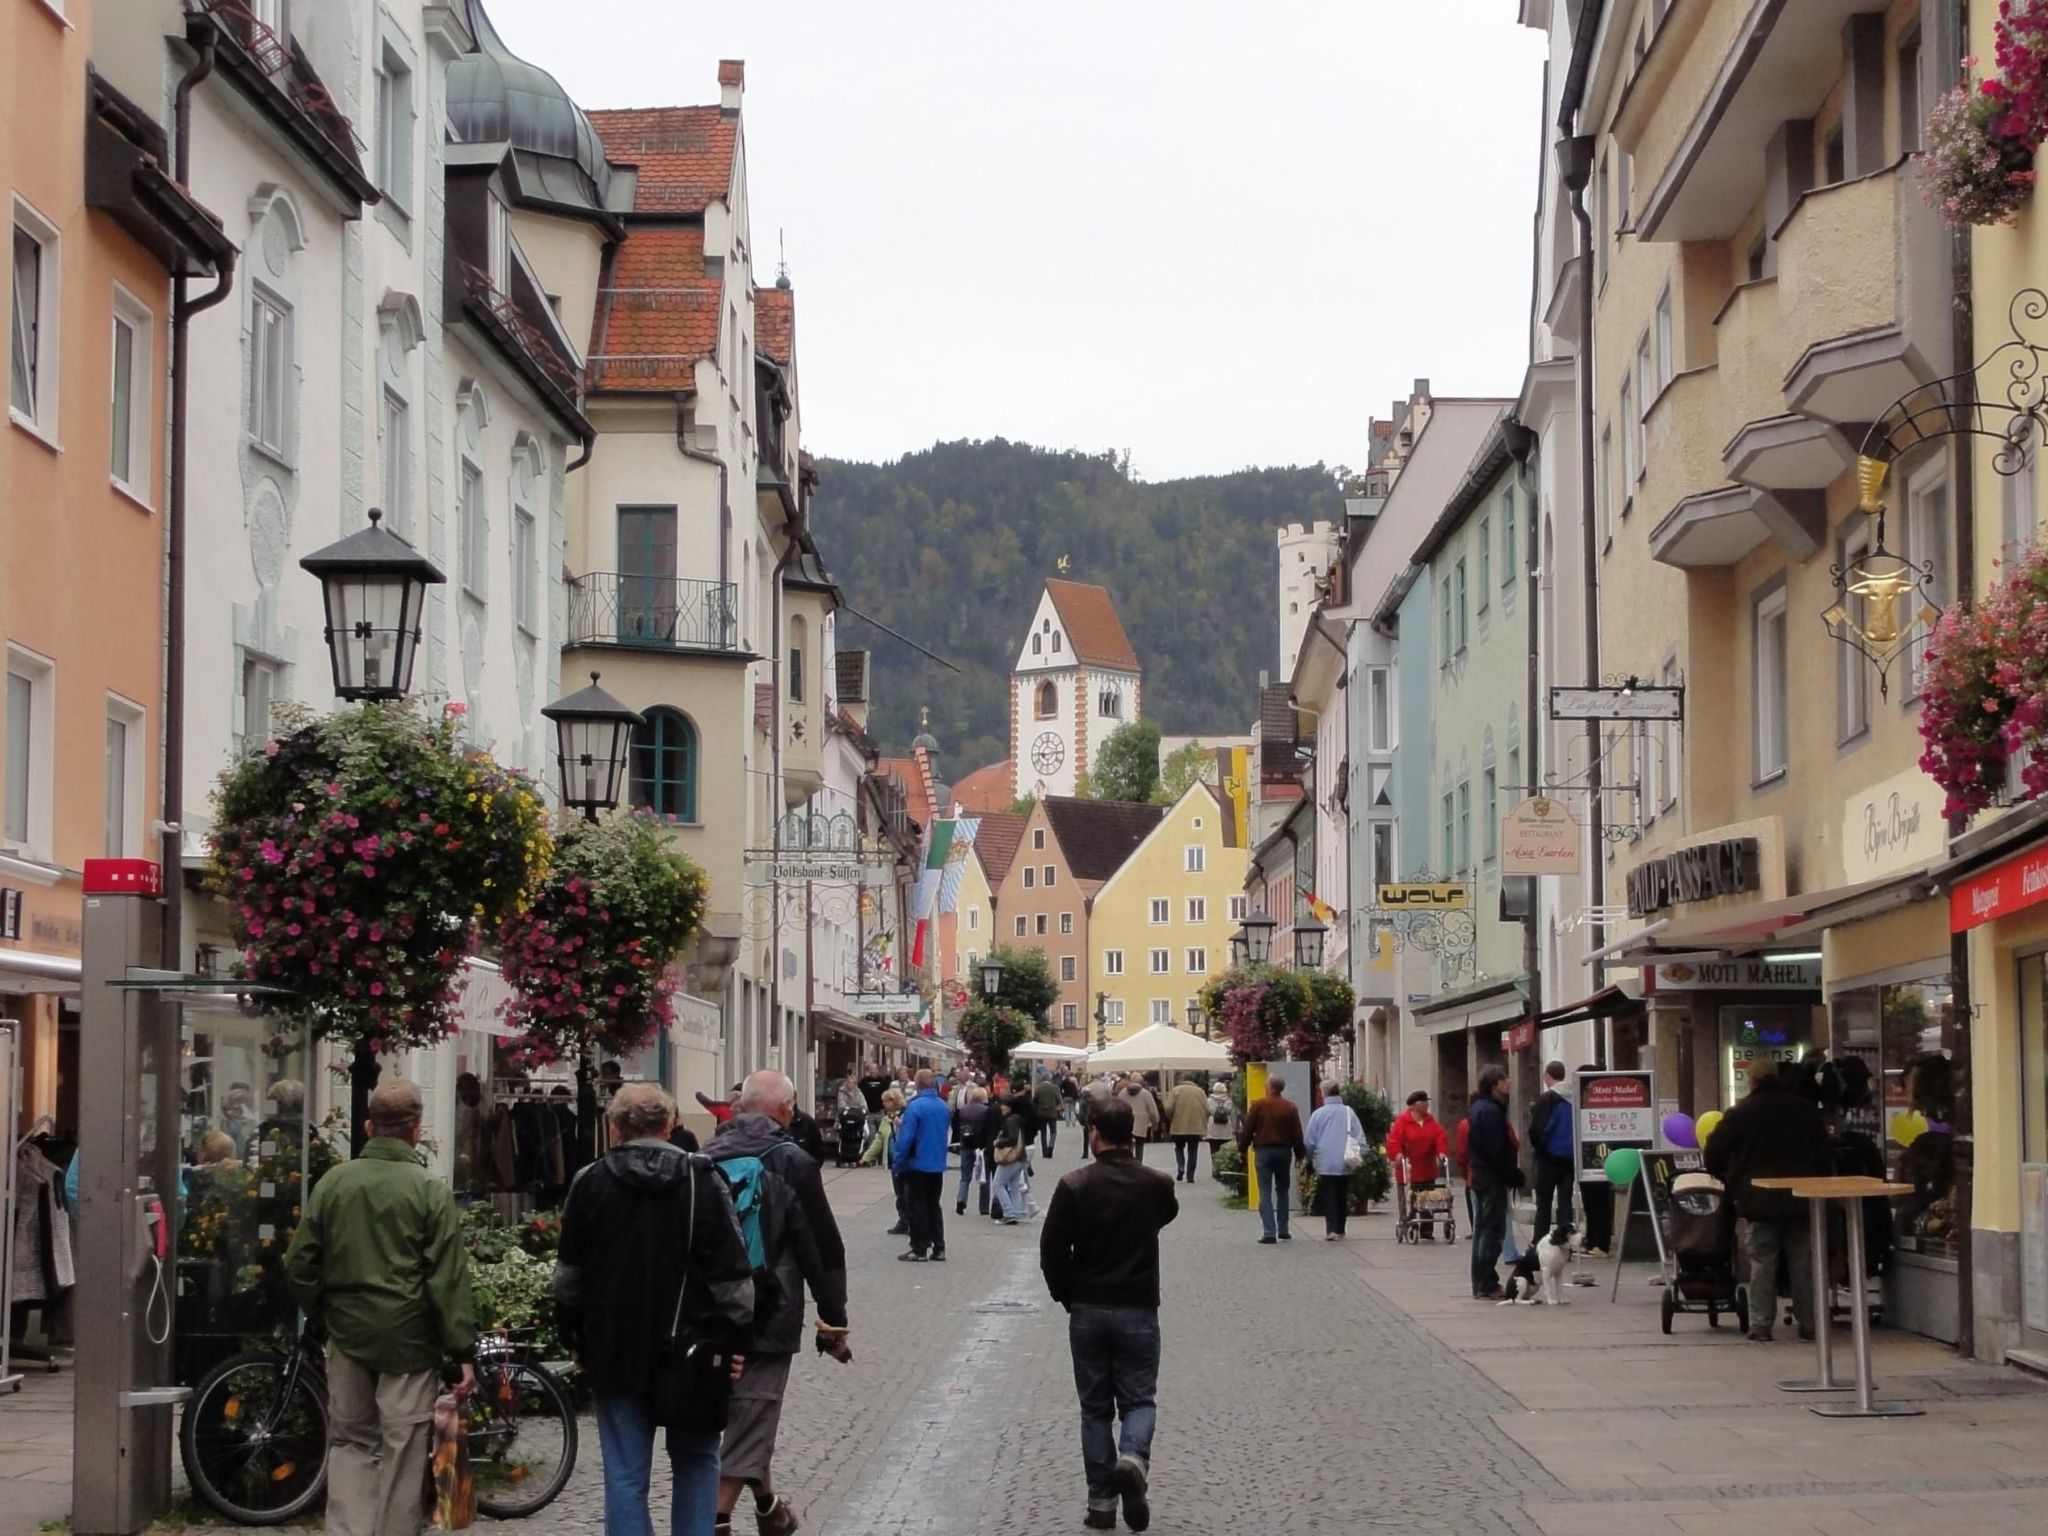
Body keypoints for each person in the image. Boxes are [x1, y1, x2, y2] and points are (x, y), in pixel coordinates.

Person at [555, 1084, 755, 1536]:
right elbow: (733, 1278)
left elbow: (568, 1278)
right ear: (670, 1125)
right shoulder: (701, 1180)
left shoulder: (591, 1181)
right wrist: (738, 1342)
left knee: (625, 1473)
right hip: (695, 1348)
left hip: (613, 1346)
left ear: (614, 1128)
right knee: (697, 1459)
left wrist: (574, 1335)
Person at [283, 1080, 474, 1536]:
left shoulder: (334, 1183)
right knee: (403, 1451)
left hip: (347, 1336)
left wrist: (325, 1316)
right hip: (409, 1341)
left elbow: (299, 1264)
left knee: (351, 1443)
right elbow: (446, 1279)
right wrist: (461, 1349)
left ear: (369, 1127)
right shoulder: (428, 1190)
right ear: (416, 1130)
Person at [707, 1071, 852, 1535]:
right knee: (753, 1413)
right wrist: (833, 1321)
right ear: (787, 1109)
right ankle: (714, 1520)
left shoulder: (703, 1157)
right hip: (769, 1312)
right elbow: (822, 1249)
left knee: (749, 1413)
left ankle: (769, 1508)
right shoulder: (793, 1162)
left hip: (708, 1312)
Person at [1039, 1098, 1179, 1533]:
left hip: (1089, 1307)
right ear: (1133, 1131)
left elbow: (1051, 1250)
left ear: (1093, 1132)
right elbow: (1166, 1214)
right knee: (1139, 1400)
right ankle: (1133, 1458)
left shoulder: (1074, 1185)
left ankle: (1101, 1504)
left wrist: (1068, 1295)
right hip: (1138, 1305)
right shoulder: (1156, 1184)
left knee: (1095, 1410)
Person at [1703, 1066, 1832, 1342]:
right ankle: (1811, 1324)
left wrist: (1728, 1178)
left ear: (1753, 1081)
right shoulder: (1805, 1110)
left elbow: (1713, 1151)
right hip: (1802, 1197)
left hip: (1759, 1199)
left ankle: (1761, 1324)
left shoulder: (1742, 1112)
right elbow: (1825, 1153)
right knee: (1804, 1263)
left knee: (1762, 1261)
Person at [1466, 1065, 1521, 1300]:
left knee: (1482, 1230)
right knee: (1491, 1230)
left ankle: (1481, 1282)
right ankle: (1486, 1283)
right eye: (1504, 1079)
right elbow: (1495, 1150)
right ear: (1495, 1084)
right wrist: (1512, 1174)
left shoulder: (1481, 1108)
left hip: (1482, 1176)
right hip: (1491, 1179)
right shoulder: (1490, 1111)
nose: (1509, 1082)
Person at [892, 1068, 953, 1262]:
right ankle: (939, 1247)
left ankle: (919, 1248)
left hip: (917, 1162)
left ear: (917, 1084)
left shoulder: (915, 1107)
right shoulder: (943, 1107)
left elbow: (907, 1138)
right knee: (933, 1205)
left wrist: (898, 1162)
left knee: (917, 1206)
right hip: (937, 1163)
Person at [1238, 1075, 1306, 1244]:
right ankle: (1283, 1229)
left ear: (1269, 1087)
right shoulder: (1290, 1107)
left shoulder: (1258, 1105)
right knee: (1282, 1190)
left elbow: (1248, 1130)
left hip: (1263, 1151)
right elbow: (1297, 1133)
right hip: (1284, 1151)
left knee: (1265, 1190)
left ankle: (1269, 1231)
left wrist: (1242, 1149)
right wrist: (1299, 1154)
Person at [1304, 1081, 1367, 1240]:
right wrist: (1361, 1154)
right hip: (1346, 1160)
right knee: (1342, 1194)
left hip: (1325, 1161)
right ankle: (1340, 1228)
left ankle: (1331, 1229)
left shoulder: (1318, 1114)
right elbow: (1359, 1136)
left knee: (1329, 1194)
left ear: (1324, 1093)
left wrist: (1309, 1158)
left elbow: (1310, 1141)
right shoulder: (1349, 1112)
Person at [1528, 1061, 1576, 1235]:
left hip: (1548, 1158)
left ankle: (1540, 1240)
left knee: (1544, 1203)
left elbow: (1537, 1129)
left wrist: (1539, 1149)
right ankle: (1565, 1238)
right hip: (1569, 1158)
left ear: (1548, 1076)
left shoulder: (1547, 1099)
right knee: (1565, 1202)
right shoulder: (1574, 1097)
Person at [990, 1092, 1032, 1223]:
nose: (1001, 1107)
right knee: (1013, 1184)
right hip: (1020, 1157)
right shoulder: (1018, 1118)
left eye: (1004, 1105)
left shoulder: (1011, 1120)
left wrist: (999, 1143)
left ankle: (1008, 1212)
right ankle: (1016, 1212)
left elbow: (1013, 1139)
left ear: (1009, 1107)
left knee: (998, 1184)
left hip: (1011, 1158)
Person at [954, 1085, 993, 1215]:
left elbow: (956, 1126)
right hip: (980, 1147)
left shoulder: (962, 1110)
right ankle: (983, 1207)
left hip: (965, 1145)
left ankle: (961, 1199)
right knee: (984, 1177)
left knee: (965, 1177)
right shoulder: (986, 1110)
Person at [1165, 1076, 1210, 1184]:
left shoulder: (1176, 1090)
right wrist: (1204, 1121)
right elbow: (1207, 1110)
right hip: (1196, 1126)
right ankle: (1190, 1175)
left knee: (1179, 1147)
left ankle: (1181, 1166)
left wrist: (1171, 1118)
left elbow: (1168, 1108)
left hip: (1179, 1125)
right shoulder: (1200, 1092)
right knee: (1193, 1150)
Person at [1120, 1075, 1161, 1163]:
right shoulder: (1145, 1093)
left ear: (1130, 1081)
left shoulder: (1122, 1093)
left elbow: (1117, 1108)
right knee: (1139, 1146)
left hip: (1125, 1124)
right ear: (1141, 1082)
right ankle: (1138, 1165)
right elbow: (1153, 1111)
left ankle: (1128, 1164)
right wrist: (1155, 1123)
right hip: (1141, 1124)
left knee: (1127, 1147)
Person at [1202, 1080, 1235, 1171]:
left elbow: (1207, 1112)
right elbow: (1230, 1113)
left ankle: (1215, 1166)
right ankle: (1223, 1166)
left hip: (1213, 1127)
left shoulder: (1209, 1100)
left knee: (1213, 1148)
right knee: (1225, 1148)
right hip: (1226, 1127)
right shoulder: (1228, 1100)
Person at [1034, 1070, 1066, 1157]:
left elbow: (1035, 1100)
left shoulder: (1038, 1088)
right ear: (1050, 1079)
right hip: (1052, 1113)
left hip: (1041, 1113)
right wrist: (1058, 1106)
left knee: (1043, 1133)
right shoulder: (1054, 1088)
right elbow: (1059, 1099)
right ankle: (1050, 1147)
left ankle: (1044, 1152)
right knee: (1053, 1132)